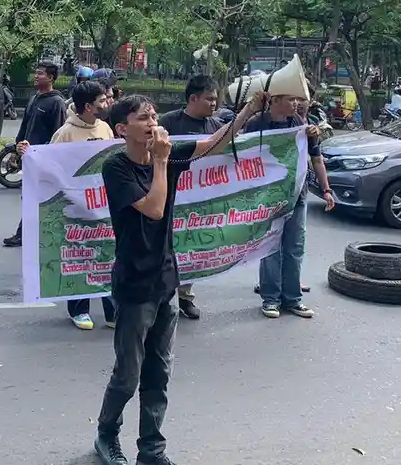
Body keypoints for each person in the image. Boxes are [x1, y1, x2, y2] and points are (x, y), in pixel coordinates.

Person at [93, 93, 263, 465]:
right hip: (134, 285)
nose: (153, 122)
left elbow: (214, 145)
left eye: (154, 115)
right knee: (128, 375)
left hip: (166, 281)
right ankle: (106, 434)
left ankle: (152, 450)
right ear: (122, 129)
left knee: (159, 373)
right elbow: (154, 209)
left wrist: (249, 110)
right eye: (143, 118)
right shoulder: (117, 167)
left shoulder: (165, 156)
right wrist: (161, 161)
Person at [244, 93, 333, 320]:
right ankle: (271, 299)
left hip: (297, 195)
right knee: (270, 247)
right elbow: (244, 158)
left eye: (297, 99)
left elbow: (316, 158)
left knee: (295, 247)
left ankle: (293, 299)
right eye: (290, 99)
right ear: (275, 100)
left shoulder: (301, 124)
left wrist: (326, 189)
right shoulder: (257, 123)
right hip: (268, 196)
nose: (296, 103)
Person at [156, 74, 225, 321]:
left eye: (215, 99)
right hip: (171, 197)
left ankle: (185, 297)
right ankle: (162, 297)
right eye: (209, 99)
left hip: (202, 202)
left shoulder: (217, 126)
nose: (214, 104)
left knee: (194, 248)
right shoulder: (168, 123)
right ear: (193, 98)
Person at [54, 81, 117, 331]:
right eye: (102, 101)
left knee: (108, 258)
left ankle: (112, 311)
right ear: (88, 107)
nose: (107, 103)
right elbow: (52, 167)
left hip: (104, 205)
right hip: (77, 207)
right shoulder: (65, 134)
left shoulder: (105, 128)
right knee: (81, 259)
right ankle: (79, 309)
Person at [3, 61, 68, 248]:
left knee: (39, 197)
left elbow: (58, 134)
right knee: (29, 196)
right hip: (29, 158)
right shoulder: (34, 98)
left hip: (44, 159)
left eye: (40, 73)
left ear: (51, 77)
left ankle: (27, 234)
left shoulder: (56, 102)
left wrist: (48, 155)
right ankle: (26, 233)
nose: (36, 76)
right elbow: (25, 126)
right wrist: (16, 149)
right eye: (36, 73)